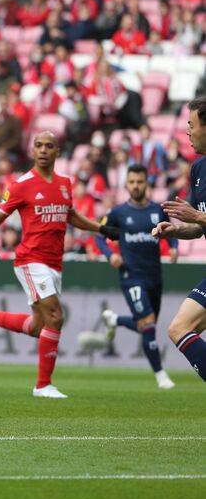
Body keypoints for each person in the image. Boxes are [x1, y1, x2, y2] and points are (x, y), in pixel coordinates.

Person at [0, 131, 118, 399]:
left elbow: (70, 215)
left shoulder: (64, 183)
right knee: (56, 317)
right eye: (39, 146)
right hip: (30, 260)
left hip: (54, 263)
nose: (44, 150)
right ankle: (43, 384)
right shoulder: (21, 184)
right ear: (33, 151)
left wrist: (101, 229)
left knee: (38, 327)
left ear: (57, 151)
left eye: (49, 146)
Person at [96, 164, 177, 390]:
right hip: (131, 276)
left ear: (146, 184)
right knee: (148, 323)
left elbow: (171, 231)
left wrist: (173, 247)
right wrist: (110, 255)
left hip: (154, 277)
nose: (136, 186)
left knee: (146, 325)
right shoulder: (118, 213)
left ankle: (115, 320)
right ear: (126, 184)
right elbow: (99, 238)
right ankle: (161, 375)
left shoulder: (157, 211)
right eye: (131, 182)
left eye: (139, 182)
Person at [152, 96, 206, 384]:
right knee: (179, 328)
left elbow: (200, 219)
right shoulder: (199, 169)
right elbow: (198, 229)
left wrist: (196, 217)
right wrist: (176, 230)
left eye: (192, 124)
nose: (187, 131)